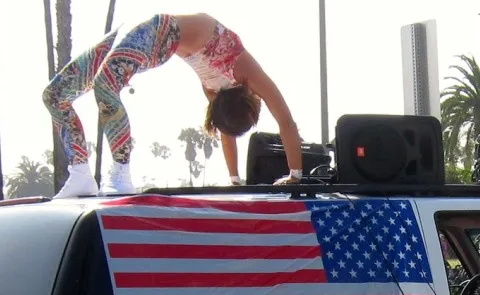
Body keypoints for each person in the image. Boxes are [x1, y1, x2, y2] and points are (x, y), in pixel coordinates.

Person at [43, 13, 303, 197]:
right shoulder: (244, 68)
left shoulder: (218, 95)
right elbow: (286, 121)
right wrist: (295, 174)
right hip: (154, 29)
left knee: (81, 89)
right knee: (68, 92)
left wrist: (234, 180)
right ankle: (99, 174)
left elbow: (226, 133)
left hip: (151, 32)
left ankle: (98, 171)